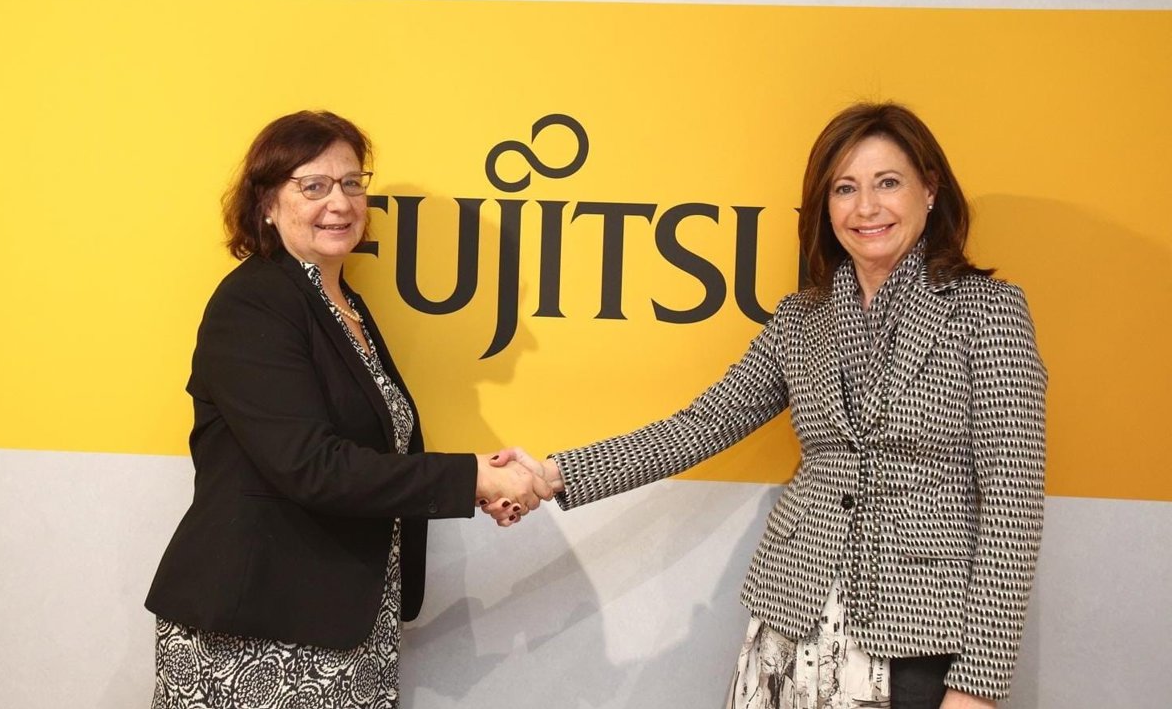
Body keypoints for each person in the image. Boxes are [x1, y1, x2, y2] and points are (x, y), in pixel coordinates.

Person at [490, 102, 1046, 709]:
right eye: (845, 189)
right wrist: (552, 474)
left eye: (888, 183)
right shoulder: (801, 319)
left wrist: (978, 686)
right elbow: (702, 425)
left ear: (930, 190)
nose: (866, 207)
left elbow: (1012, 506)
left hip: (918, 636)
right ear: (824, 206)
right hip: (790, 623)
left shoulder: (989, 311)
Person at [146, 111, 551, 709]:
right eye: (313, 186)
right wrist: (472, 478)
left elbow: (373, 455)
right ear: (266, 203)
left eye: (352, 183)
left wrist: (481, 478)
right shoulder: (254, 303)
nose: (339, 202)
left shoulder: (343, 304)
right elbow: (313, 466)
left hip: (344, 623)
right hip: (258, 633)